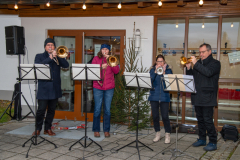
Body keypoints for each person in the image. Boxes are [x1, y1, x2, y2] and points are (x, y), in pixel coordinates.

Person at [186, 43, 221, 151]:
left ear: (209, 52)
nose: (201, 54)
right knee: (200, 119)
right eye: (200, 52)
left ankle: (213, 141)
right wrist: (188, 69)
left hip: (208, 96)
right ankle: (202, 139)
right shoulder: (198, 64)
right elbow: (192, 78)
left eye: (203, 52)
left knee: (207, 120)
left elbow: (208, 72)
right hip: (197, 96)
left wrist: (195, 63)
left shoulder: (215, 63)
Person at [32, 38, 69, 136]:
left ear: (54, 47)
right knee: (41, 110)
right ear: (45, 47)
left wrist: (58, 57)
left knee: (51, 110)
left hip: (55, 88)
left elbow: (66, 65)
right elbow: (38, 65)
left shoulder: (58, 57)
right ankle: (38, 128)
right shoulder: (39, 56)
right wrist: (50, 57)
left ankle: (47, 128)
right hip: (44, 88)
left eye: (52, 45)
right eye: (48, 45)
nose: (50, 47)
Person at [92, 44, 120, 138]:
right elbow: (92, 71)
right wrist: (101, 67)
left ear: (109, 51)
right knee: (97, 109)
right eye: (103, 49)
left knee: (107, 110)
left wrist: (111, 62)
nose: (105, 51)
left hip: (109, 87)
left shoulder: (112, 59)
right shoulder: (96, 58)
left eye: (106, 49)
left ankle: (106, 130)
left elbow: (116, 71)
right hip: (98, 86)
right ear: (100, 50)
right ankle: (96, 130)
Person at [148, 54, 172, 144]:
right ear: (156, 62)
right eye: (158, 61)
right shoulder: (152, 70)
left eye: (161, 61)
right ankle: (157, 133)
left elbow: (170, 82)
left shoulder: (168, 70)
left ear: (164, 62)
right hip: (154, 95)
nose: (160, 63)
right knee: (155, 116)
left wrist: (165, 73)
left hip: (164, 96)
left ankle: (167, 134)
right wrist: (155, 71)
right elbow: (150, 81)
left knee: (165, 116)